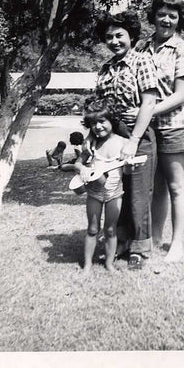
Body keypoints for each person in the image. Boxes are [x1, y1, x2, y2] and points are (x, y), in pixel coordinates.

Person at [94, 11, 158, 270]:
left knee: (139, 194)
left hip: (138, 134)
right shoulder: (105, 68)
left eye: (119, 35)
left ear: (131, 35)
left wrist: (133, 140)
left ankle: (139, 248)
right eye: (109, 37)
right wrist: (93, 138)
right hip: (112, 136)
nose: (114, 41)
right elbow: (99, 108)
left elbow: (149, 102)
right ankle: (120, 240)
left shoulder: (142, 61)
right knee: (116, 190)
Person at [136, 0, 184, 263]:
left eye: (173, 15)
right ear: (154, 16)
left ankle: (177, 244)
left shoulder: (182, 50)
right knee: (157, 187)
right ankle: (156, 238)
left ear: (179, 19)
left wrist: (147, 111)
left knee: (176, 186)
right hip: (148, 129)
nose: (167, 20)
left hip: (174, 126)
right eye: (162, 14)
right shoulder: (141, 47)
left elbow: (181, 94)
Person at [73, 97, 126, 274]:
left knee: (110, 229)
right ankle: (87, 265)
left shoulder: (123, 143)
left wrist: (131, 165)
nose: (98, 126)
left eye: (102, 121)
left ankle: (109, 264)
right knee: (92, 228)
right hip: (94, 193)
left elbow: (128, 171)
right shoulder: (92, 143)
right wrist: (82, 169)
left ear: (112, 120)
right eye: (93, 123)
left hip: (114, 194)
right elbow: (77, 163)